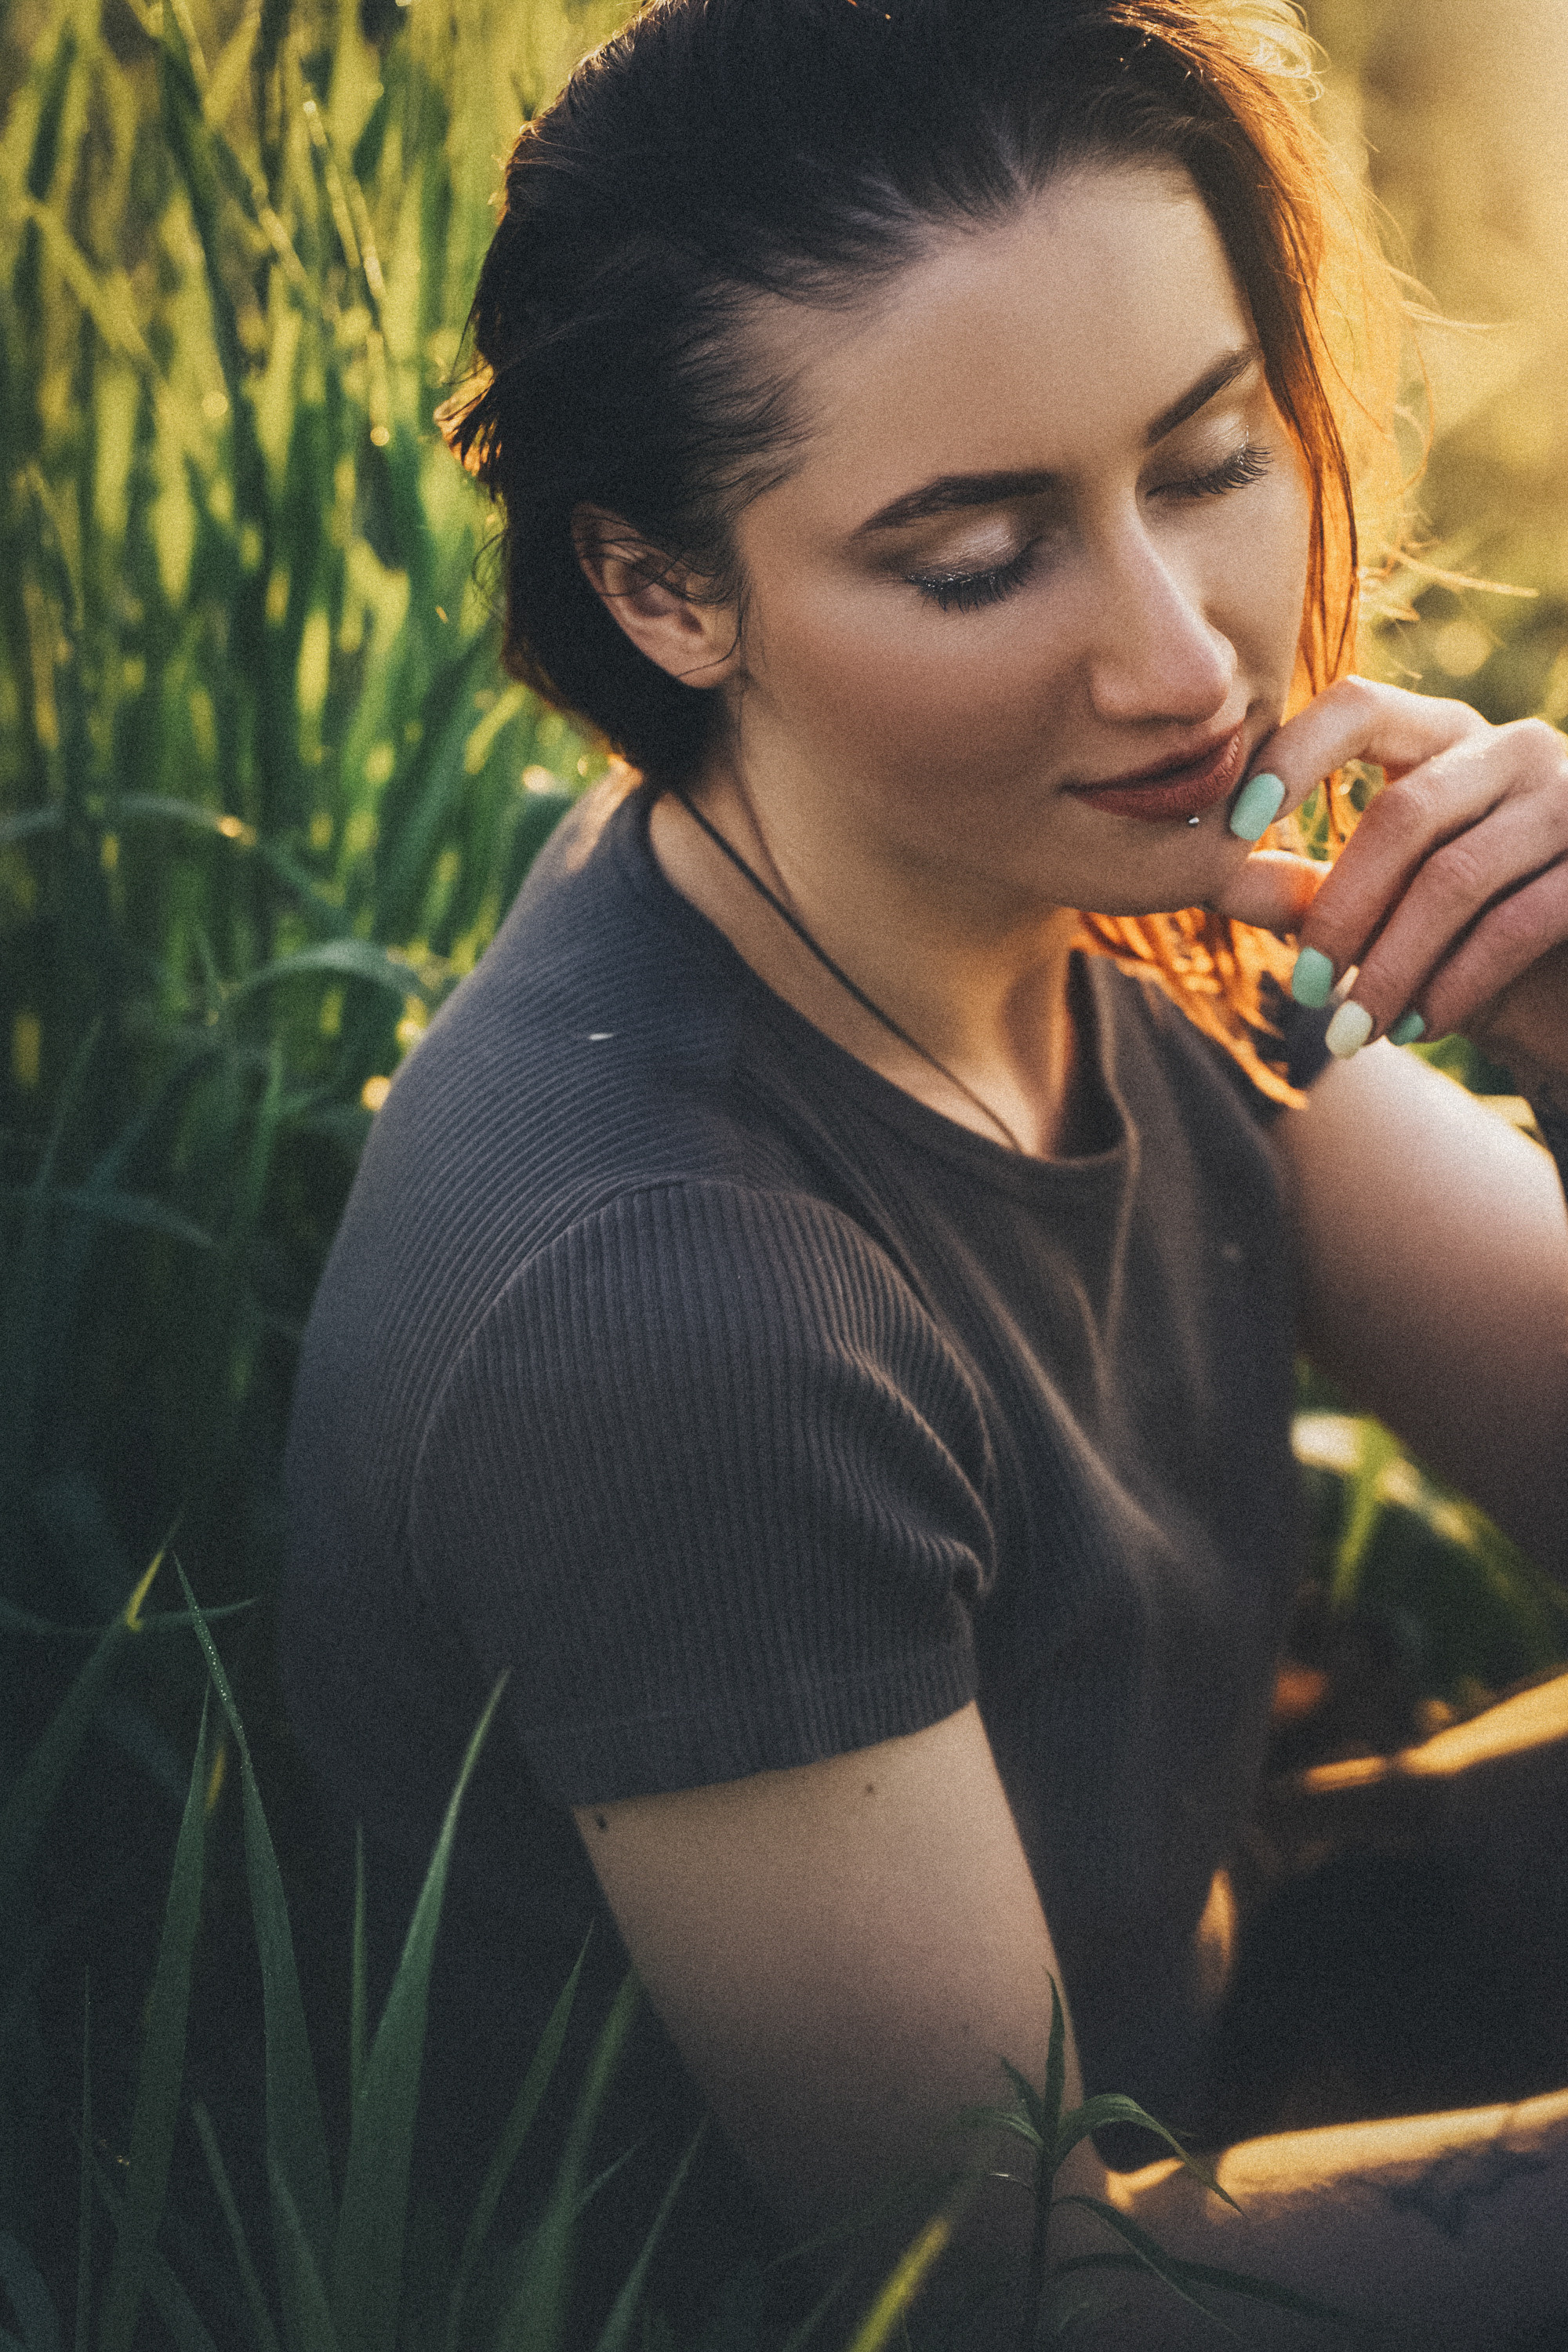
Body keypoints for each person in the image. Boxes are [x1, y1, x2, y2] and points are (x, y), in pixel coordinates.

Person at [280, 0, 1568, 2339]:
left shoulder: (1100, 888)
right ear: (671, 593)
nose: (1183, 661)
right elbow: (1006, 2293)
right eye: (979, 556)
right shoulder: (670, 1304)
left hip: (1231, 2018)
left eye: (1205, 461)